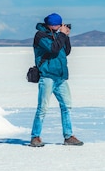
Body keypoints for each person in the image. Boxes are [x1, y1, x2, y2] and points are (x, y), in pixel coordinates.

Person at [29, 13, 83, 147]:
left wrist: (66, 36)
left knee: (67, 107)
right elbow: (53, 48)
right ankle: (35, 137)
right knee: (42, 108)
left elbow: (67, 51)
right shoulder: (40, 36)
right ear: (52, 25)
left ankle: (68, 136)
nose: (60, 27)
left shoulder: (58, 35)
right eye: (58, 25)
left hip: (60, 77)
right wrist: (62, 35)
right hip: (47, 76)